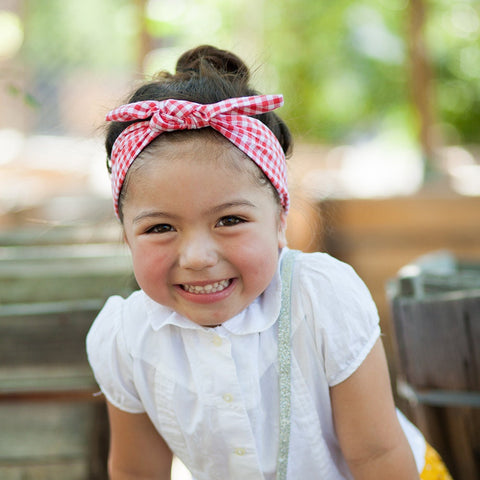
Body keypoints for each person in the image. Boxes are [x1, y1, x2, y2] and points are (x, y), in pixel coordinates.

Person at [86, 45, 452, 480]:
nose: (198, 257)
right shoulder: (125, 337)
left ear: (280, 220)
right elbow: (134, 473)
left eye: (230, 220)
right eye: (160, 228)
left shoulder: (321, 299)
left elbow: (376, 457)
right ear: (126, 234)